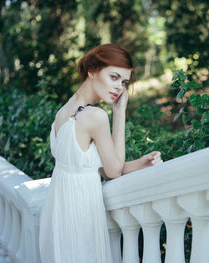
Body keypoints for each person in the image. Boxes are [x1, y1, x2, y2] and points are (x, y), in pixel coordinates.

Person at [39, 43, 163, 263]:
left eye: (124, 82)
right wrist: (119, 112)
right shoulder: (94, 116)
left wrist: (139, 164)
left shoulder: (65, 111)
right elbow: (114, 171)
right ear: (93, 71)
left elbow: (94, 167)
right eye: (114, 77)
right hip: (80, 213)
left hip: (59, 212)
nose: (119, 88)